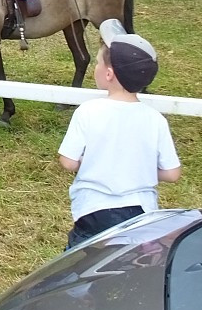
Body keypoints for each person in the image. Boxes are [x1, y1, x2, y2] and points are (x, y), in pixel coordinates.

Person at [58, 19, 181, 249]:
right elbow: (172, 174)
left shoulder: (88, 111)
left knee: (82, 267)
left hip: (93, 211)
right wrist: (138, 168)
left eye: (96, 64)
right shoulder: (156, 120)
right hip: (141, 212)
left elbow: (67, 161)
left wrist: (94, 162)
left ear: (109, 74)